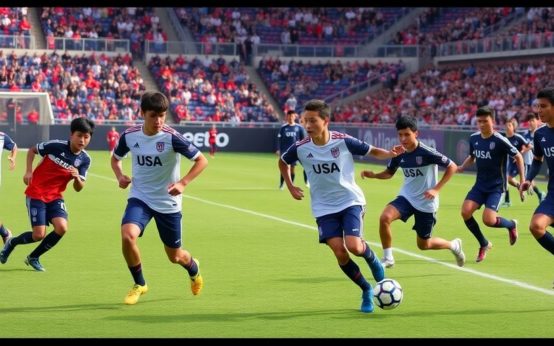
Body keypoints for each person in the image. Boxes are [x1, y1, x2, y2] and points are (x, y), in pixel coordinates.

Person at [278, 99, 404, 313]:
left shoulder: (342, 141)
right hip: (323, 207)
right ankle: (366, 290)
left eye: (312, 121)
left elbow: (373, 151)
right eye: (305, 121)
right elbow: (282, 162)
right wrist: (290, 186)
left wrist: (391, 154)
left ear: (325, 120)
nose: (307, 126)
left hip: (350, 201)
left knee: (354, 246)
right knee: (340, 252)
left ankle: (374, 261)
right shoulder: (300, 147)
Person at [111, 91, 208, 305]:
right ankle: (140, 284)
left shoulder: (171, 137)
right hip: (140, 197)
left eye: (162, 115)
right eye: (153, 115)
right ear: (142, 113)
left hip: (168, 202)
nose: (159, 121)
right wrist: (119, 176)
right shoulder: (130, 135)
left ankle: (193, 268)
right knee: (127, 235)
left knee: (175, 257)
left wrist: (183, 183)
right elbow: (115, 159)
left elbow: (201, 161)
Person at [360, 116, 465, 268]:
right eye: (400, 135)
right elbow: (389, 173)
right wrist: (375, 175)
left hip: (426, 202)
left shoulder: (427, 152)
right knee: (385, 218)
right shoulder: (399, 153)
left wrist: (436, 189)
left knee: (423, 244)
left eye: (407, 134)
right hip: (407, 198)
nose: (403, 138)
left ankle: (453, 245)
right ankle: (388, 258)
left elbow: (452, 166)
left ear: (416, 134)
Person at [0, 117, 95, 271]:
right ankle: (12, 242)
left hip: (55, 196)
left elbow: (79, 188)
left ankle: (33, 257)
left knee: (62, 228)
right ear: (71, 135)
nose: (82, 140)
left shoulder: (85, 159)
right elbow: (32, 150)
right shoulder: (56, 145)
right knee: (38, 235)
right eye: (79, 135)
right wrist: (29, 171)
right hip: (36, 192)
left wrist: (77, 177)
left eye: (86, 137)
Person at [457, 106, 523, 263]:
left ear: (492, 121)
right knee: (465, 212)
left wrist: (522, 181)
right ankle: (484, 244)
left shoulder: (500, 140)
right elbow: (472, 156)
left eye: (485, 121)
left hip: (496, 188)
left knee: (488, 220)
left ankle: (511, 225)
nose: (481, 124)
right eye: (479, 121)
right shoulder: (474, 138)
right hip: (480, 185)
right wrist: (462, 167)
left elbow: (519, 156)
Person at [519, 88, 554, 287]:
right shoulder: (540, 134)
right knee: (536, 226)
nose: (539, 110)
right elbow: (538, 159)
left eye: (544, 106)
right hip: (553, 195)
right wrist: (529, 178)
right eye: (537, 106)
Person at [501, 117, 530, 207]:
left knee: (517, 180)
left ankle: (521, 192)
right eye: (506, 125)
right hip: (509, 163)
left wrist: (519, 154)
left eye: (509, 125)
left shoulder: (518, 137)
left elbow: (530, 146)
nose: (507, 127)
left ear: (513, 127)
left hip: (519, 163)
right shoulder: (504, 138)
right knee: (507, 180)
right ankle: (510, 198)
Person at [276, 110, 308, 190]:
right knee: (285, 168)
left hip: (295, 151)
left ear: (295, 117)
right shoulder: (283, 128)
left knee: (293, 168)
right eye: (289, 116)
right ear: (287, 117)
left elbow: (303, 140)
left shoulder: (299, 128)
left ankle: (292, 184)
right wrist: (278, 149)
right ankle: (282, 184)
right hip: (285, 151)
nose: (290, 117)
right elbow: (279, 139)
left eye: (292, 116)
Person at [522, 112, 546, 203]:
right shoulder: (525, 134)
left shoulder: (541, 133)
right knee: (529, 179)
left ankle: (540, 194)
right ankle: (540, 194)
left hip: (536, 160)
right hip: (528, 160)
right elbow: (523, 146)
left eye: (532, 120)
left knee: (528, 178)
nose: (530, 123)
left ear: (537, 121)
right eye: (529, 121)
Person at [0, 131, 17, 244]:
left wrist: (13, 158)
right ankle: (5, 233)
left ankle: (5, 234)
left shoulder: (2, 137)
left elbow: (14, 146)